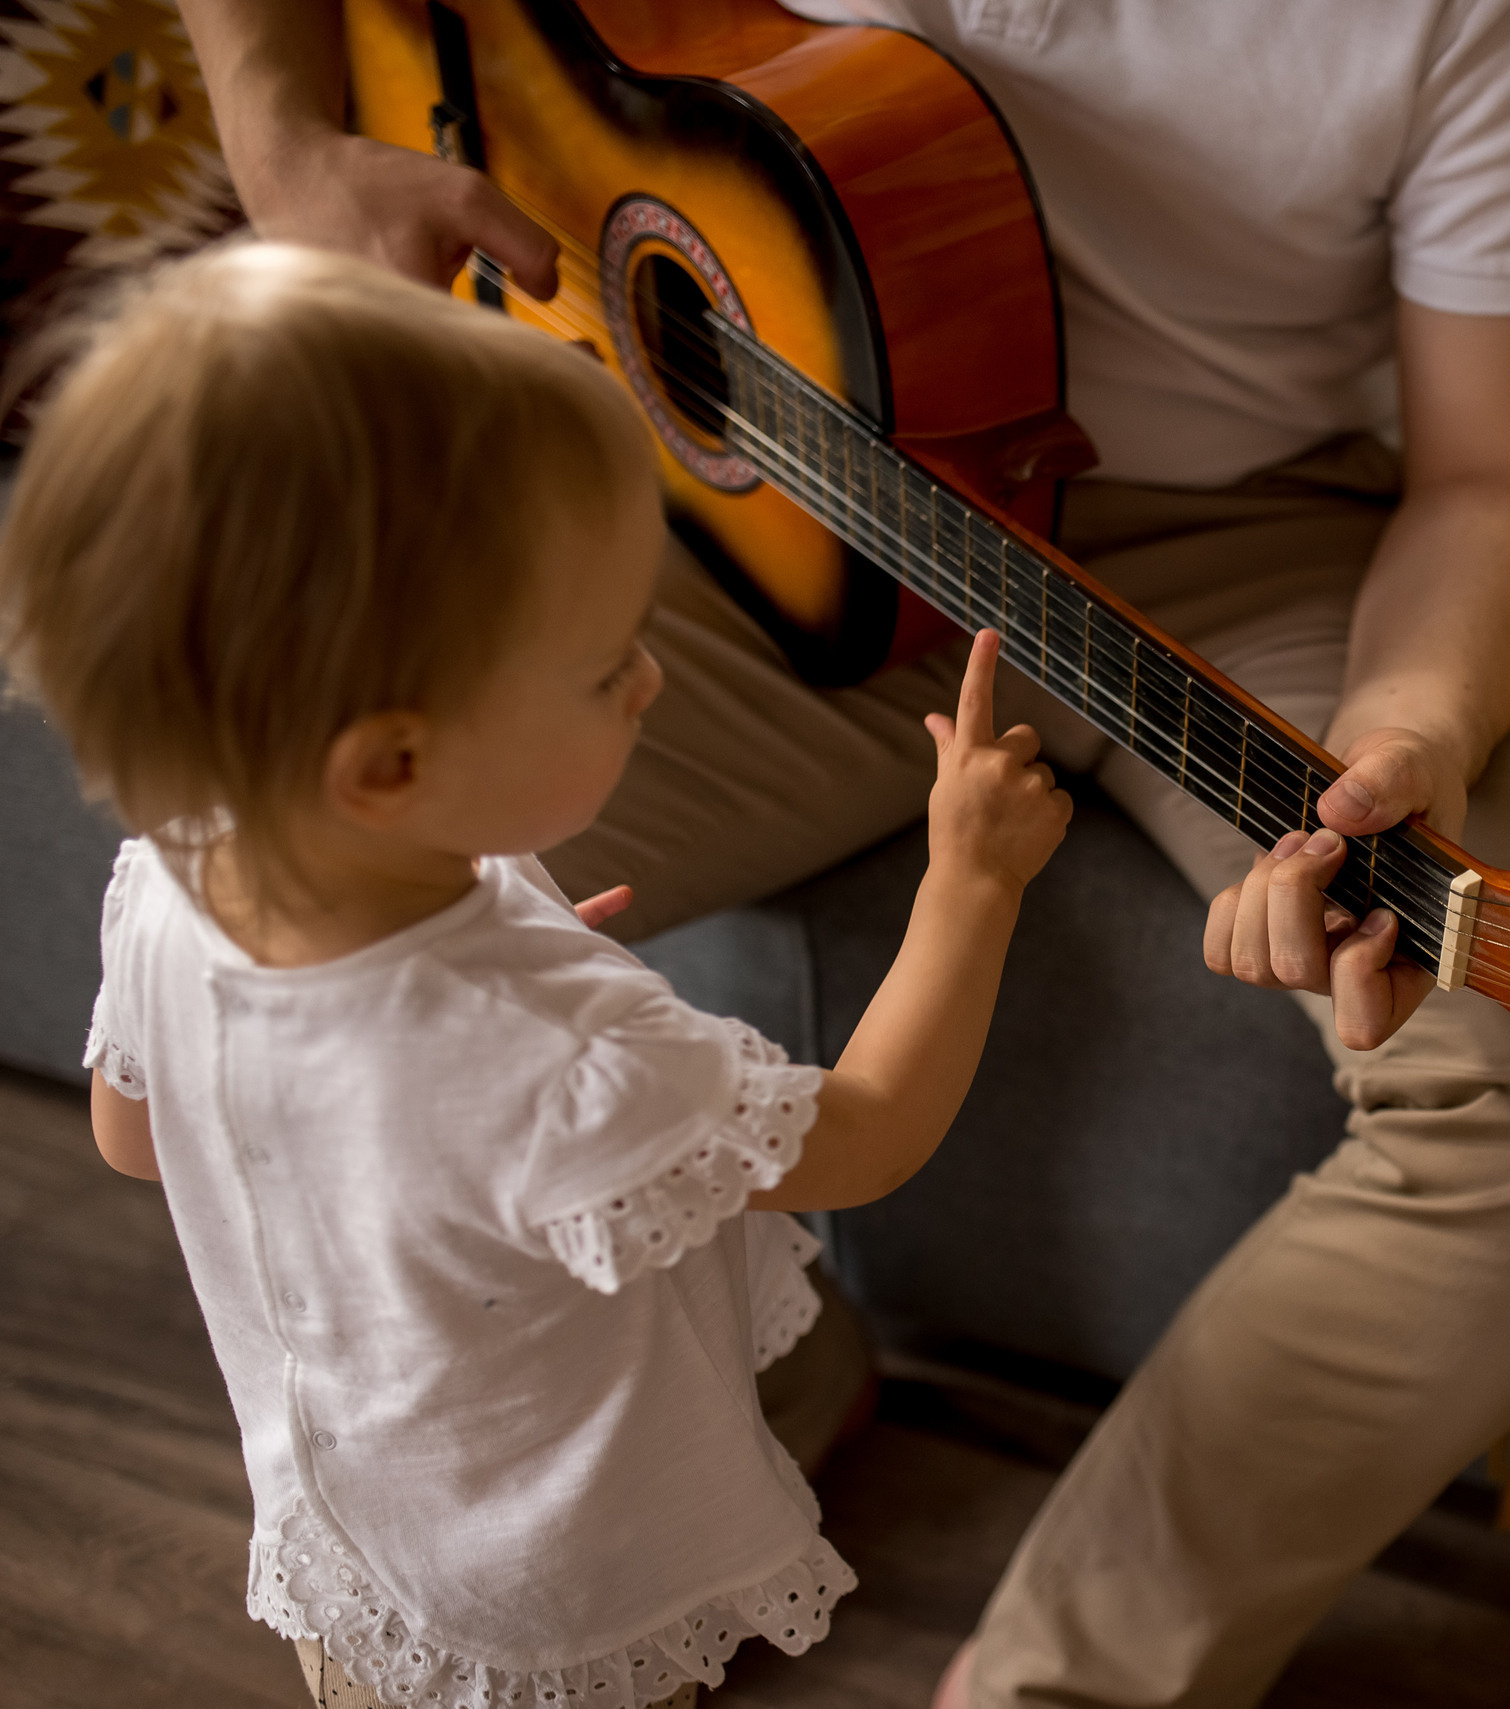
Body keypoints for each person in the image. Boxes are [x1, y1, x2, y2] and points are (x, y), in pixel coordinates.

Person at [174, 2, 1510, 1703]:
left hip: (1268, 534)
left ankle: (1065, 1678)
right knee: (277, 890)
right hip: (730, 489)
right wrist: (285, 147)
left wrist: (1413, 731)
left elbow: (1506, 476)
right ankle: (721, 1382)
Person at [0, 243, 1071, 1708]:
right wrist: (972, 881)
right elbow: (866, 1135)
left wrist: (495, 1047)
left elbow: (139, 1136)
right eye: (600, 664)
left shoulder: (170, 874)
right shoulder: (559, 1048)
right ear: (390, 763)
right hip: (554, 1609)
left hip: (359, 1556)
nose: (650, 679)